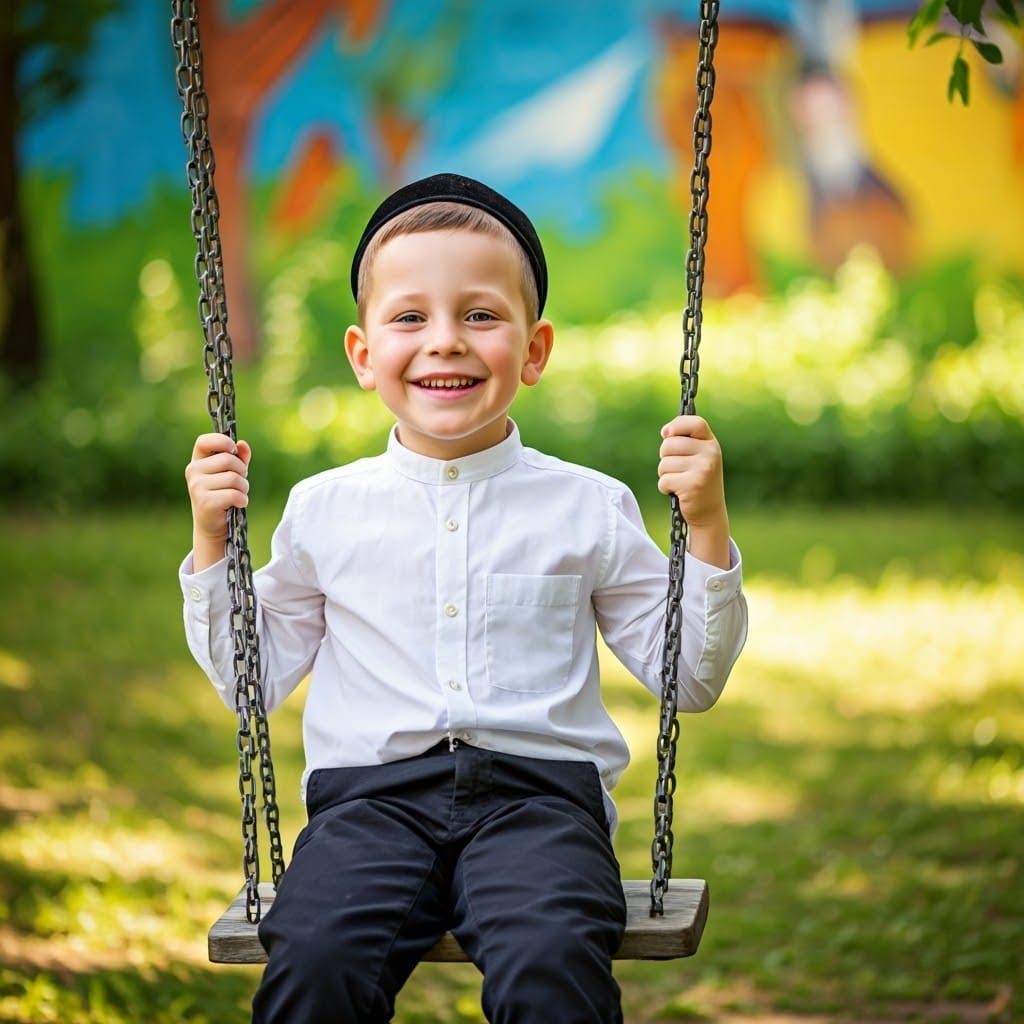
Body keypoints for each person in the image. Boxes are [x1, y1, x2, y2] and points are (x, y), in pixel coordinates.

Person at [181, 173, 747, 1024]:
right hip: (367, 805)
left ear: (534, 349)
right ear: (364, 353)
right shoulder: (324, 511)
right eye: (410, 317)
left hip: (542, 805)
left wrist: (704, 527)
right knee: (315, 960)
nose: (445, 342)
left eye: (479, 315)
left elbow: (689, 679)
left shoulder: (586, 506)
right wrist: (212, 544)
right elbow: (247, 683)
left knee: (550, 961)